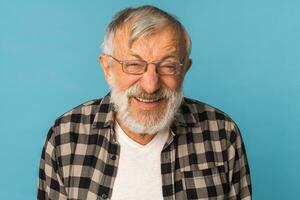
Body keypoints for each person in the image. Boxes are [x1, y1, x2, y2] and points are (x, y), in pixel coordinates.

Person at [37, 5, 251, 200]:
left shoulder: (222, 133)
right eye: (133, 65)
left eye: (168, 66)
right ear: (107, 68)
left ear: (184, 69)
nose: (151, 85)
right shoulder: (65, 136)